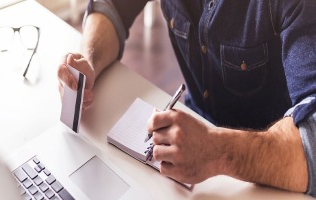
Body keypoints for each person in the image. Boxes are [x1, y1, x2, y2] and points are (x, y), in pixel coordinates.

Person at [57, 0, 316, 196]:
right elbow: (112, 6)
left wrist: (218, 151)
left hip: (273, 179)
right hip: (189, 158)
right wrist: (89, 59)